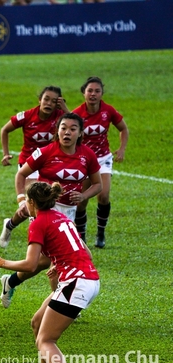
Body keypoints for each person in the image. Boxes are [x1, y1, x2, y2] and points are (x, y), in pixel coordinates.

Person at [0, 181, 100, 363]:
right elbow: (85, 252)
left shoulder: (38, 223)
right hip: (85, 279)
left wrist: (1, 262)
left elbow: (30, 264)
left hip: (75, 283)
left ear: (31, 202)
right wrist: (60, 262)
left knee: (46, 340)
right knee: (37, 322)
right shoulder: (61, 217)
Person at [0, 112, 101, 309]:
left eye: (72, 129)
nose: (67, 132)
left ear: (80, 133)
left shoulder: (87, 155)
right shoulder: (45, 152)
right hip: (44, 211)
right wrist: (21, 200)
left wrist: (83, 196)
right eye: (63, 128)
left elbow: (98, 185)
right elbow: (21, 174)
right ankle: (59, 305)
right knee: (52, 260)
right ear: (57, 130)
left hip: (68, 213)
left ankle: (12, 282)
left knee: (52, 260)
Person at [0, 86, 68, 248]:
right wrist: (5, 153)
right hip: (29, 164)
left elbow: (77, 126)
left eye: (53, 101)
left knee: (42, 204)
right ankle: (37, 243)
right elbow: (5, 130)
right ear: (39, 100)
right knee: (34, 204)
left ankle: (10, 224)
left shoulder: (61, 117)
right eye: (46, 99)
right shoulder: (27, 116)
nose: (48, 103)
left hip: (50, 163)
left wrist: (65, 109)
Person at [72, 76, 129, 248]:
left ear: (102, 93)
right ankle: (81, 236)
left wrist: (122, 149)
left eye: (97, 91)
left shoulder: (108, 110)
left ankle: (101, 233)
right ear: (84, 93)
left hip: (103, 159)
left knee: (103, 196)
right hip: (83, 161)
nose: (93, 94)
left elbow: (123, 128)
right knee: (81, 201)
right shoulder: (77, 114)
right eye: (90, 90)